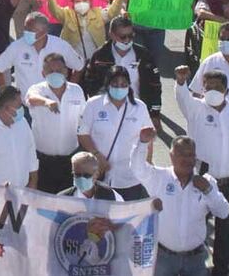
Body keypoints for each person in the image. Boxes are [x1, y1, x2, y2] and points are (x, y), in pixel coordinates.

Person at [174, 66, 229, 276]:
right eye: (208, 88)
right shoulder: (196, 109)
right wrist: (181, 82)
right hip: (202, 184)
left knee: (225, 234)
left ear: (227, 90)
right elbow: (182, 98)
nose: (212, 91)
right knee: (194, 230)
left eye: (217, 88)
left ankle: (220, 270)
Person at [132, 130, 229, 276]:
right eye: (181, 155)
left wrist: (209, 191)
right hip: (164, 258)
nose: (186, 159)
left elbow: (223, 212)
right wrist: (142, 143)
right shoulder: (159, 177)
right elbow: (137, 168)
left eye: (190, 154)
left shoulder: (207, 182)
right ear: (171, 156)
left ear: (195, 157)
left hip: (195, 259)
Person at [77, 65, 154, 200]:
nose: (119, 88)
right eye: (115, 84)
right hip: (100, 175)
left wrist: (147, 166)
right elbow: (83, 134)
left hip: (130, 177)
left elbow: (148, 139)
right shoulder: (93, 104)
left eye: (123, 84)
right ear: (108, 84)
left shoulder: (139, 107)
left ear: (129, 86)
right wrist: (97, 156)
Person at [82, 16, 163, 124]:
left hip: (136, 113)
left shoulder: (144, 55)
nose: (127, 40)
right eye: (123, 36)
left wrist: (155, 114)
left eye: (131, 35)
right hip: (107, 114)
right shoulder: (100, 56)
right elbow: (90, 83)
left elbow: (155, 85)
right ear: (111, 34)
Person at [0, 11, 82, 91]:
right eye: (25, 29)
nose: (27, 33)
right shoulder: (17, 47)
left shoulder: (61, 46)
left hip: (54, 104)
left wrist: (69, 90)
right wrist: (6, 93)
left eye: (31, 30)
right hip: (26, 104)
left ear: (44, 31)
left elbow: (79, 67)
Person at [58, 152, 122, 200]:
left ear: (96, 174)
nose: (81, 179)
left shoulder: (111, 195)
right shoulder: (63, 198)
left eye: (86, 175)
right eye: (77, 175)